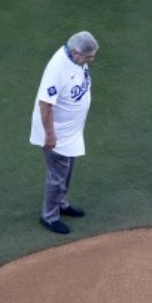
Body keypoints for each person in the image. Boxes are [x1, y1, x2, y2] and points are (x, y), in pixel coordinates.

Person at [30, 31, 100, 234]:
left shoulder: (76, 59)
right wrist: (50, 135)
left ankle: (60, 203)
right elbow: (45, 104)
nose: (91, 60)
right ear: (76, 52)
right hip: (56, 132)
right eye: (89, 57)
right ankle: (49, 216)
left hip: (72, 130)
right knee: (58, 175)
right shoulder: (57, 69)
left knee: (67, 171)